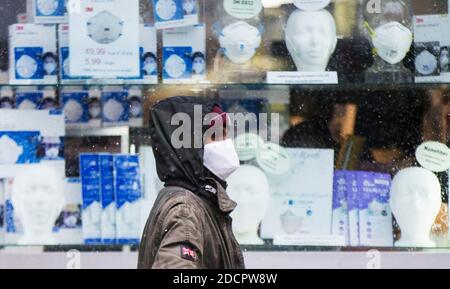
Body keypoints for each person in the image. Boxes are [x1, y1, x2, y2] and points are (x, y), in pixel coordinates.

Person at [138, 96, 245, 269]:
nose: (226, 143)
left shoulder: (192, 197)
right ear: (190, 146)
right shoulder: (185, 210)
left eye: (226, 134)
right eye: (217, 135)